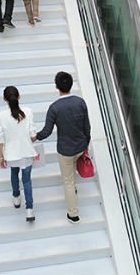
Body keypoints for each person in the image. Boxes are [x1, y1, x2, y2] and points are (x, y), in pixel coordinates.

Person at [35, 72, 91, 224]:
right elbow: (87, 127)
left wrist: (35, 137)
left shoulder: (54, 108)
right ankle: (74, 188)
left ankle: (73, 214)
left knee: (67, 180)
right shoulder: (81, 102)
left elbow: (46, 131)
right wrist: (86, 142)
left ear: (56, 86)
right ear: (71, 84)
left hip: (65, 149)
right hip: (80, 146)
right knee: (73, 171)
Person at [0, 86, 38, 222]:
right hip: (26, 152)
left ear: (4, 99)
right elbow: (33, 135)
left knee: (14, 174)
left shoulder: (0, 116)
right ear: (19, 97)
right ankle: (29, 210)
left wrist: (1, 156)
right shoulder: (28, 112)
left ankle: (16, 198)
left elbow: (0, 139)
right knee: (27, 180)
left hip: (11, 153)